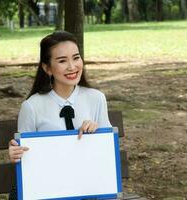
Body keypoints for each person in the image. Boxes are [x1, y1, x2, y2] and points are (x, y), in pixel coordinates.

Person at [8, 31, 112, 199]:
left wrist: (97, 132)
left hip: (88, 188)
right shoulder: (31, 107)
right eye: (62, 61)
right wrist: (17, 155)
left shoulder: (96, 98)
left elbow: (106, 156)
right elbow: (27, 165)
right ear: (47, 68)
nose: (72, 66)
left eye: (76, 58)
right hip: (46, 190)